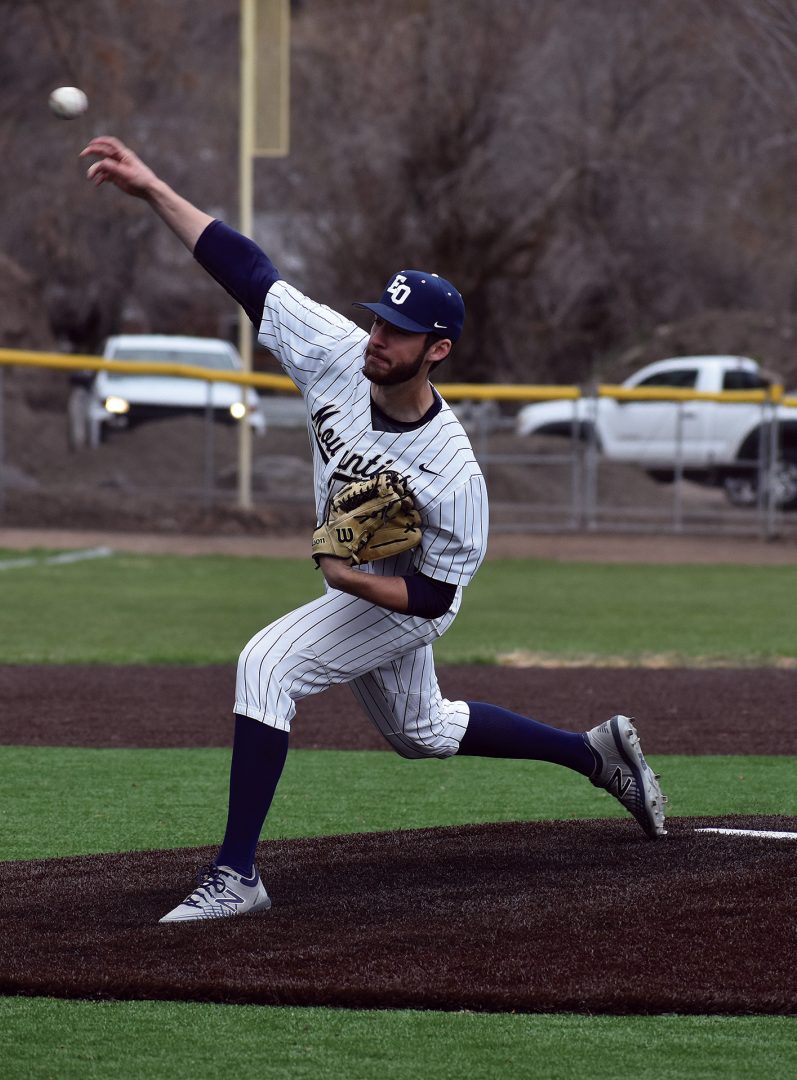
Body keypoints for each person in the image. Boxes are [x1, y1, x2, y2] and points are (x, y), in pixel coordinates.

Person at [81, 136, 667, 924]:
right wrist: (153, 186)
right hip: (366, 577)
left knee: (266, 663)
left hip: (407, 592)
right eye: (377, 321)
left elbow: (433, 596)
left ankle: (236, 875)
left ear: (437, 350)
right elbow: (247, 270)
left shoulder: (450, 474)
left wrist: (352, 580)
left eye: (397, 331)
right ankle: (593, 753)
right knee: (421, 731)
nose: (376, 338)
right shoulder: (335, 353)